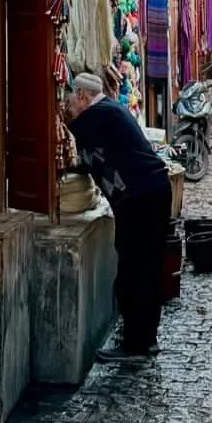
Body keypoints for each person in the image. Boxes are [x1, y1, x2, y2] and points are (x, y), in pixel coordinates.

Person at [66, 72, 172, 363]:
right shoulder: (109, 112)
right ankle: (145, 340)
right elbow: (91, 160)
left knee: (133, 270)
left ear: (82, 96)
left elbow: (63, 131)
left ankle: (135, 346)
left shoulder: (99, 113)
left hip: (142, 198)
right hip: (151, 193)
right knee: (146, 269)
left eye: (71, 103)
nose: (71, 110)